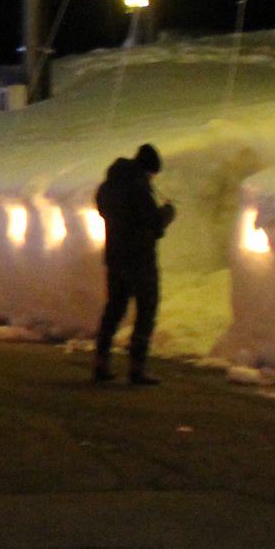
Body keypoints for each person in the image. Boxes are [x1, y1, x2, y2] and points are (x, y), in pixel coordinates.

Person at [91, 143, 173, 386]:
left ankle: (100, 361)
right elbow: (152, 224)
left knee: (114, 309)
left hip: (116, 258)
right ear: (147, 169)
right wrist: (168, 213)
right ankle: (137, 368)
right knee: (146, 310)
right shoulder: (138, 188)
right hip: (140, 259)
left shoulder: (108, 187)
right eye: (152, 174)